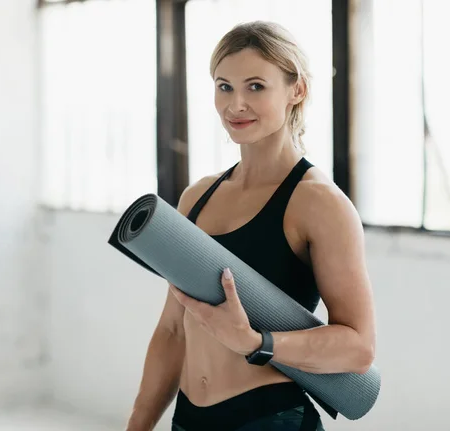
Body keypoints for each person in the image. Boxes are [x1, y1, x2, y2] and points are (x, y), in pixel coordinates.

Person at [125, 21, 376, 431]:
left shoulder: (319, 203)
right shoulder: (197, 196)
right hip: (188, 418)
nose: (235, 104)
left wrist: (259, 343)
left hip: (268, 418)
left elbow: (359, 348)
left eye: (255, 86)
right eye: (224, 86)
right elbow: (173, 329)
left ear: (297, 90)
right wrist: (137, 425)